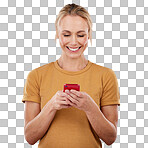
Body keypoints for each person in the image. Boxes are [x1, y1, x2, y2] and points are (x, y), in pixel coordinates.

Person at [22, 3, 120, 148]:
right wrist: (51, 106)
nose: (74, 42)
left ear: (89, 35)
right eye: (66, 34)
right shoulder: (36, 76)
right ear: (57, 34)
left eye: (80, 35)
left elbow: (110, 138)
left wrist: (90, 107)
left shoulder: (106, 76)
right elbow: (30, 138)